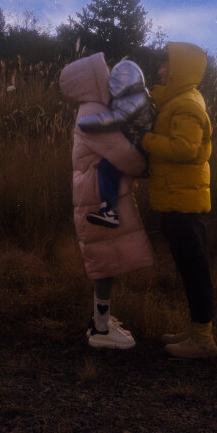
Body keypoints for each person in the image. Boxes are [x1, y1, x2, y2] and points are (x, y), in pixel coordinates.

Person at [59, 52, 153, 349]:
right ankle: (100, 329)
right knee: (104, 262)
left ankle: (102, 319)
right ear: (93, 80)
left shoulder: (92, 108)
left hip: (94, 194)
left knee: (106, 260)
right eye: (106, 72)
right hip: (97, 197)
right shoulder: (92, 111)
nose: (111, 76)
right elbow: (125, 156)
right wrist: (145, 165)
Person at [141, 41, 217, 357]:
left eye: (166, 65)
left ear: (181, 70)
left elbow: (185, 149)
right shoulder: (178, 101)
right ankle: (197, 331)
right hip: (176, 196)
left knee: (194, 267)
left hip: (183, 200)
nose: (160, 70)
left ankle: (203, 340)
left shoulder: (186, 104)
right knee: (189, 266)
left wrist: (144, 140)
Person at [77, 59, 156, 228]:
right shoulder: (132, 96)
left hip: (140, 149)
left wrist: (86, 123)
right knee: (107, 168)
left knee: (107, 167)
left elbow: (116, 118)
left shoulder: (138, 98)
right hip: (135, 146)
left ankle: (109, 211)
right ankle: (109, 211)